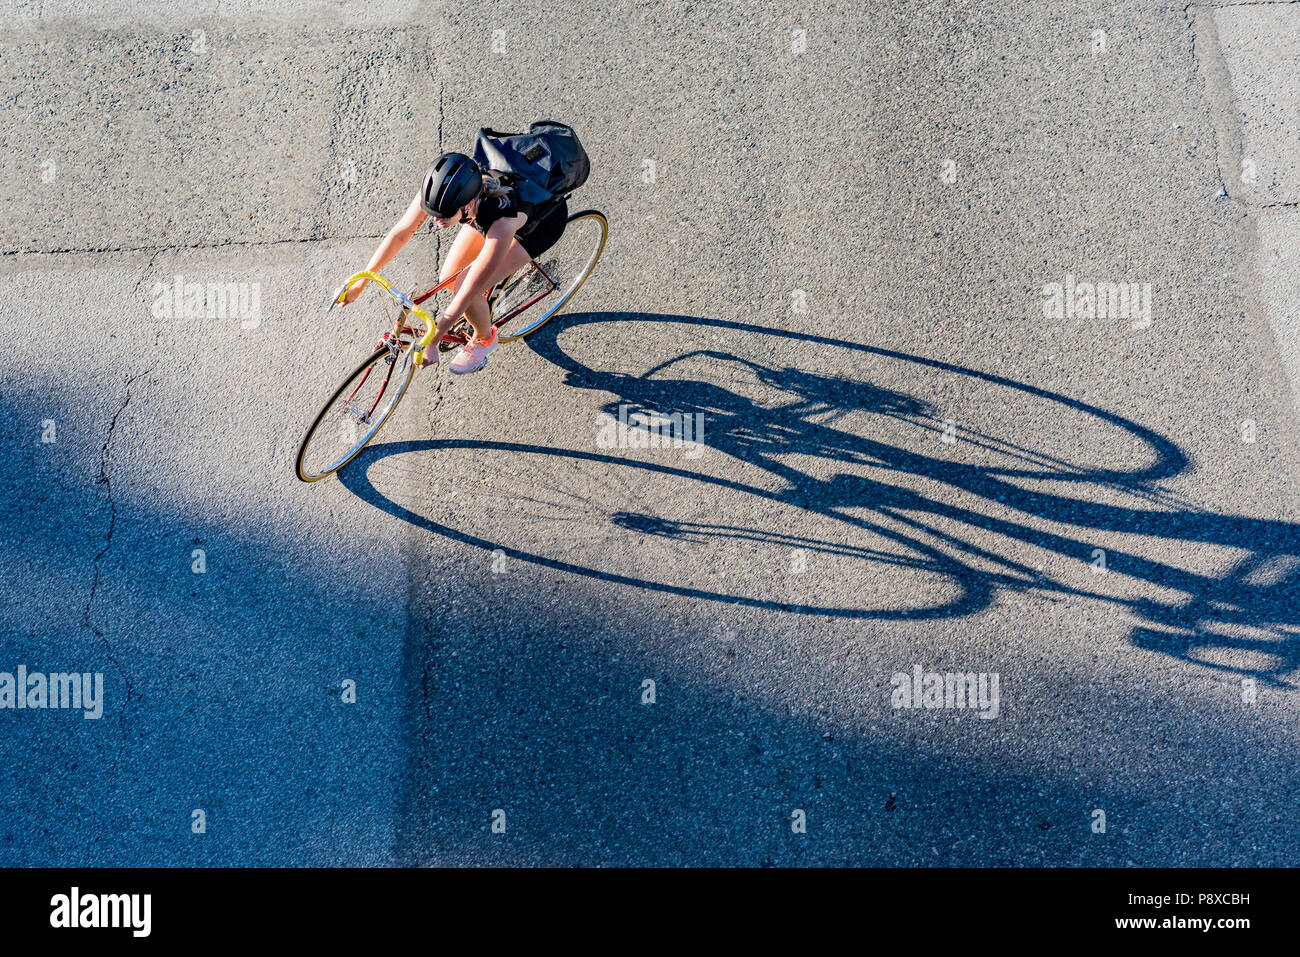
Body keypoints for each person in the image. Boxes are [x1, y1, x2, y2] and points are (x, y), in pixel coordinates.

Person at [341, 151, 569, 374]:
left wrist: (433, 340)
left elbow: (466, 291)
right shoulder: (440, 192)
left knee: (463, 286)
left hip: (538, 228)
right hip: (484, 213)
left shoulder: (502, 223)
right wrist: (361, 282)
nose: (435, 220)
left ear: (467, 205)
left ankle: (484, 338)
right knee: (448, 277)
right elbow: (401, 233)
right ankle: (479, 310)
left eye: (443, 215)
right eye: (433, 212)